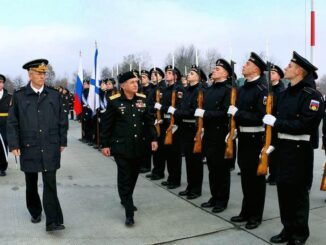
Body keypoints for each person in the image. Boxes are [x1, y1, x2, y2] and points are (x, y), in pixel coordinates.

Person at [264, 52, 324, 245]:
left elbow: (306, 125)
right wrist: (271, 144)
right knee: (283, 193)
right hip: (282, 149)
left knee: (298, 195)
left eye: (290, 66)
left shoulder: (311, 96)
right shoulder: (282, 94)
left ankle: (299, 235)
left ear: (299, 71)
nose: (286, 68)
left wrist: (277, 123)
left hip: (299, 150)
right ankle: (287, 229)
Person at [7, 59, 68, 232]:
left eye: (44, 73)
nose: (43, 76)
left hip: (50, 144)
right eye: (39, 73)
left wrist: (62, 140)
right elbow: (12, 122)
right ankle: (35, 211)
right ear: (30, 74)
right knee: (31, 182)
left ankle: (53, 220)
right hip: (28, 145)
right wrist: (14, 145)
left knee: (50, 183)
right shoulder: (19, 96)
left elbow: (62, 120)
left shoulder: (54, 94)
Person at [101, 71, 158, 227]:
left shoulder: (142, 99)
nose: (136, 84)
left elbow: (148, 121)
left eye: (136, 82)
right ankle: (129, 212)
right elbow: (106, 125)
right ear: (123, 85)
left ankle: (126, 197)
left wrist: (153, 138)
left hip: (139, 146)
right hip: (121, 147)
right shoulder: (114, 101)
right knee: (125, 176)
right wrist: (105, 144)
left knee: (133, 175)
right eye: (132, 82)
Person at [228, 52, 267, 230]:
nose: (244, 66)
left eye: (247, 64)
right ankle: (246, 211)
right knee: (246, 177)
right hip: (243, 137)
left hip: (255, 138)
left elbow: (260, 117)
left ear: (256, 69)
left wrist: (237, 114)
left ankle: (255, 215)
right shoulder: (242, 89)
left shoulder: (262, 90)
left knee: (256, 180)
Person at [197, 59, 232, 212]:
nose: (214, 70)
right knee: (211, 167)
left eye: (218, 69)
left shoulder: (228, 90)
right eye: (215, 68)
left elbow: (225, 113)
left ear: (225, 73)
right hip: (209, 133)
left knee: (221, 169)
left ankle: (222, 200)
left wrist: (205, 114)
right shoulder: (209, 90)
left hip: (221, 134)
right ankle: (214, 196)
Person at [174, 65, 206, 199]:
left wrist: (177, 112)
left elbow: (194, 111)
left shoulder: (201, 90)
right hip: (185, 128)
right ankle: (190, 186)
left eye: (192, 73)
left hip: (195, 127)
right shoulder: (186, 90)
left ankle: (196, 189)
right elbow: (182, 106)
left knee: (196, 161)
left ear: (199, 77)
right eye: (189, 73)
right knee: (188, 159)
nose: (188, 75)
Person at [151, 65, 184, 189]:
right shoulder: (165, 89)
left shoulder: (179, 89)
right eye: (166, 72)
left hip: (174, 123)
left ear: (176, 76)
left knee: (174, 154)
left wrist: (163, 108)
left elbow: (179, 107)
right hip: (164, 122)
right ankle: (170, 177)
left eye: (170, 72)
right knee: (168, 152)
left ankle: (176, 180)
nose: (167, 74)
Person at [265, 64, 285, 186]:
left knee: (276, 150)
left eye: (273, 73)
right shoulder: (269, 88)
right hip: (268, 122)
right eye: (270, 72)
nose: (270, 75)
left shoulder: (281, 90)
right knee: (270, 149)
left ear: (279, 76)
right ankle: (272, 174)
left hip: (276, 123)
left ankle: (276, 175)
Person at [0, 74, 12, 176]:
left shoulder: (9, 97)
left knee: (4, 145)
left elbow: (12, 112)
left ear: (3, 84)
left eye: (0, 82)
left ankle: (2, 167)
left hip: (4, 124)